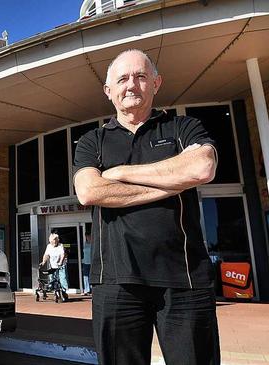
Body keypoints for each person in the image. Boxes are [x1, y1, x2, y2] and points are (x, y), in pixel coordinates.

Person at [73, 49, 220, 365]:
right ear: (108, 91)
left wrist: (121, 174)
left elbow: (201, 169)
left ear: (156, 83)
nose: (132, 85)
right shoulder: (91, 141)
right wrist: (172, 178)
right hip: (115, 283)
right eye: (122, 78)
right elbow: (89, 191)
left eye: (140, 76)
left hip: (185, 280)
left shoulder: (183, 127)